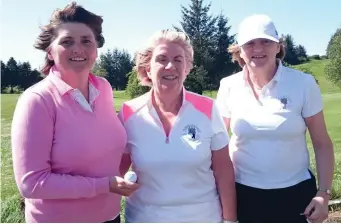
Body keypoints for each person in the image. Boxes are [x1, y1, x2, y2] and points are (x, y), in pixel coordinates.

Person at [11, 2, 138, 223]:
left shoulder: (104, 88)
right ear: (50, 51)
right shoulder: (38, 100)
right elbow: (31, 183)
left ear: (96, 49)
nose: (78, 48)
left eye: (86, 41)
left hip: (110, 216)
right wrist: (104, 185)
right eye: (67, 42)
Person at [216, 14, 335, 223]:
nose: (258, 49)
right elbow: (217, 146)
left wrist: (323, 193)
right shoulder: (228, 86)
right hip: (243, 193)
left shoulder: (303, 83)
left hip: (295, 194)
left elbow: (322, 143)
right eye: (250, 43)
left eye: (266, 42)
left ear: (278, 46)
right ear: (240, 50)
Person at [118, 29, 237, 223]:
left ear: (187, 68)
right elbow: (117, 170)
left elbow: (223, 168)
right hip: (144, 217)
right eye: (162, 59)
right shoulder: (128, 112)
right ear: (148, 68)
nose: (170, 66)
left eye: (178, 59)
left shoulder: (208, 108)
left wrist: (230, 220)